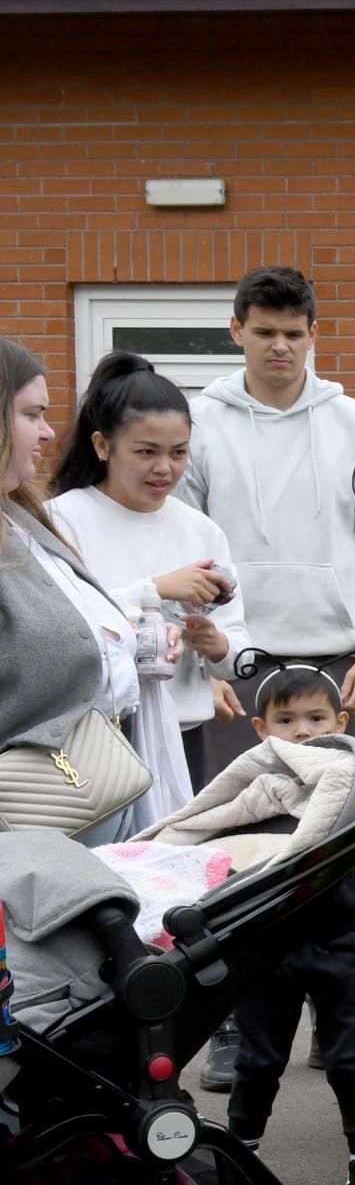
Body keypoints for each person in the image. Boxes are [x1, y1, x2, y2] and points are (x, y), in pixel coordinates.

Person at [183, 266, 355, 1091]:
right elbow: (188, 543)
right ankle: (237, 1023)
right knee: (246, 849)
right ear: (236, 330)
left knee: (342, 848)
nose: (280, 347)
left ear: (313, 335)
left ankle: (342, 1021)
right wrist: (215, 657)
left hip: (340, 662)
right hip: (244, 668)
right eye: (264, 331)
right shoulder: (200, 423)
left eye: (294, 333)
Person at [221, 666, 355, 1185]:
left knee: (349, 1060)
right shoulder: (249, 791)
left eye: (315, 718)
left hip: (341, 942)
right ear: (261, 728)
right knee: (256, 1061)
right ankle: (241, 1156)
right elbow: (217, 863)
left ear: (339, 721)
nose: (302, 731)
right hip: (263, 949)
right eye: (286, 720)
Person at [49, 352, 251, 824]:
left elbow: (238, 647)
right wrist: (156, 588)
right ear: (102, 445)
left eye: (179, 452)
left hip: (184, 740)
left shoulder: (202, 530)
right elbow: (59, 632)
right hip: (92, 742)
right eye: (146, 452)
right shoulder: (61, 520)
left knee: (176, 876)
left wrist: (214, 642)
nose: (165, 468)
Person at [0, 338, 147, 847]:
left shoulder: (23, 517)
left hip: (95, 786)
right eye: (32, 414)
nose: (46, 433)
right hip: (36, 821)